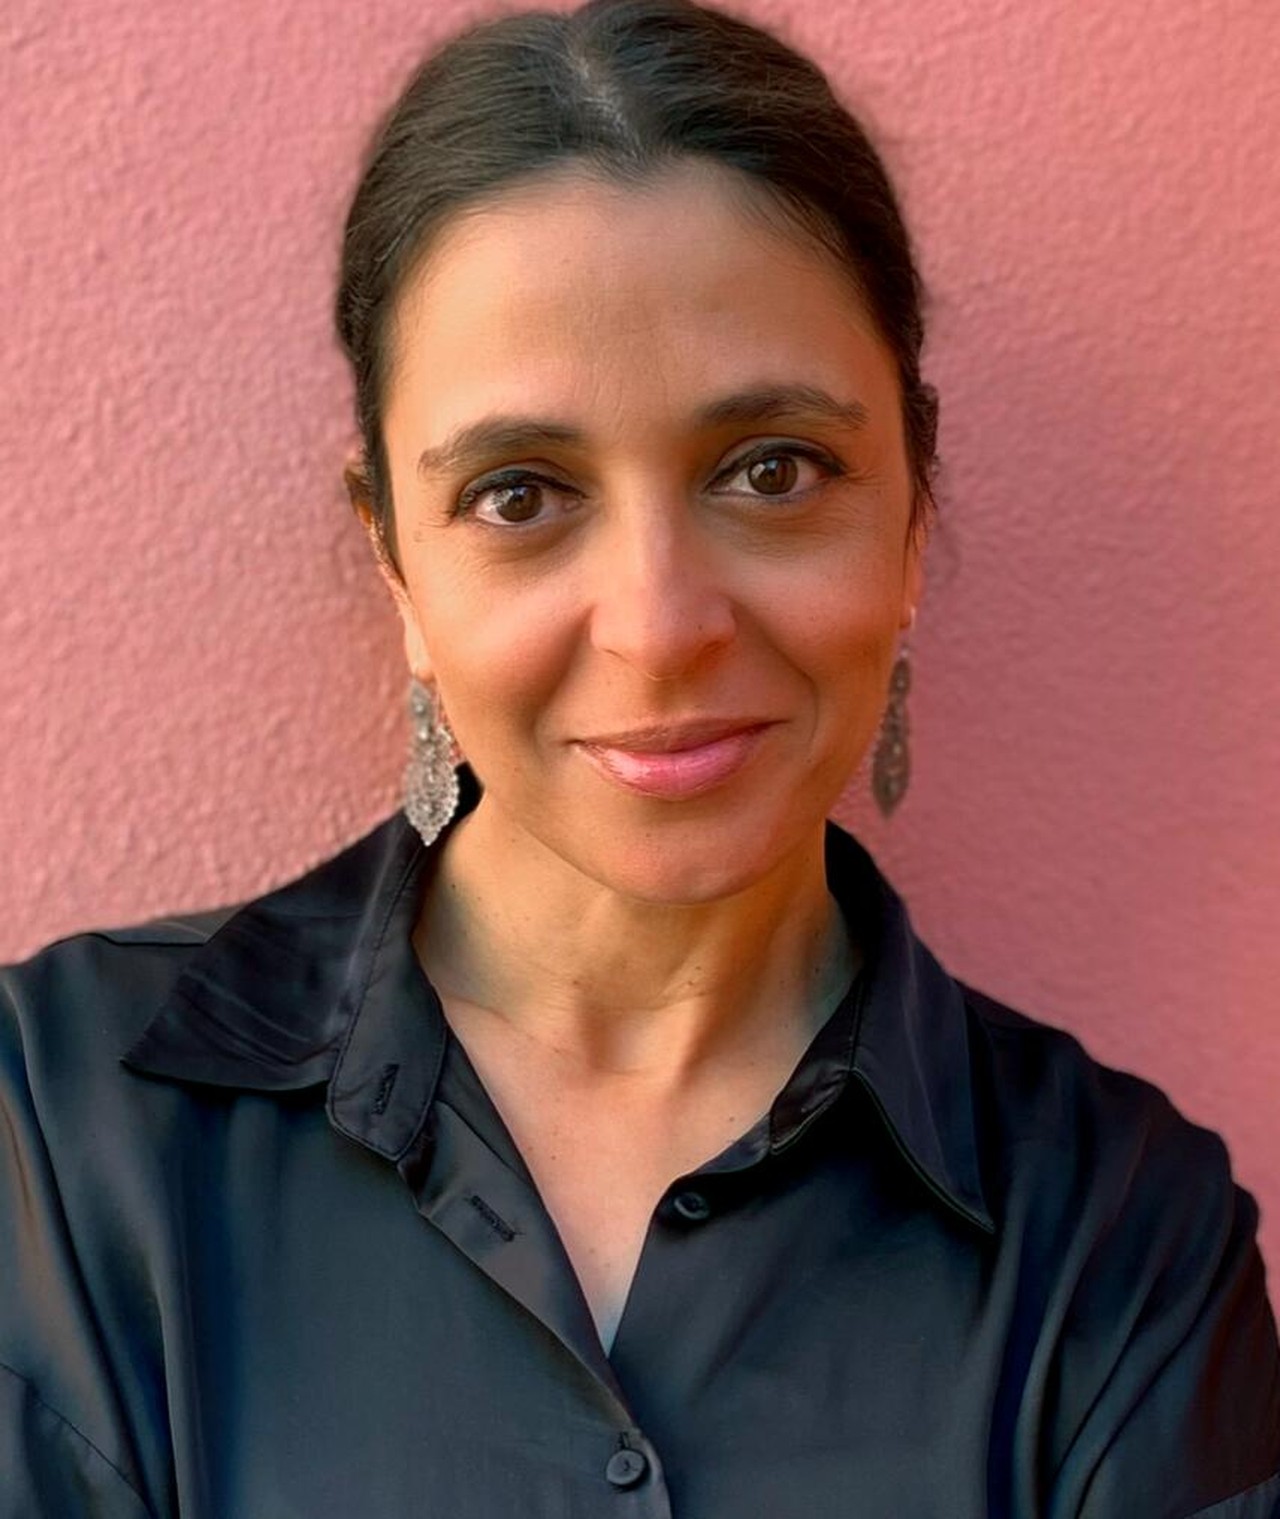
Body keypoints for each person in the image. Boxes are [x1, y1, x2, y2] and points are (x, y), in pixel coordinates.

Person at [2, 0, 1277, 1513]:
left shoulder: (1122, 1242)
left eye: (772, 470)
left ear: (912, 514)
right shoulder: (54, 1131)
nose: (662, 629)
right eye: (520, 494)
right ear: (397, 566)